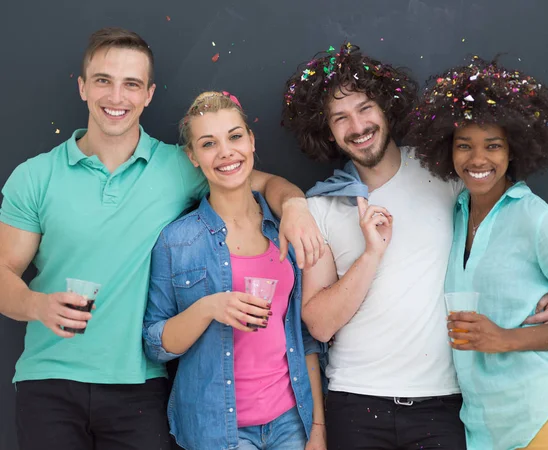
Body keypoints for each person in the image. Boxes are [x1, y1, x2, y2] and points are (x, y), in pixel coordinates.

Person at [0, 27, 324, 450]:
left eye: (131, 84)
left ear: (148, 94)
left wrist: (296, 206)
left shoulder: (180, 166)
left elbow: (262, 181)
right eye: (103, 81)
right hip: (50, 379)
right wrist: (37, 305)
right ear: (82, 87)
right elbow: (4, 273)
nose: (117, 97)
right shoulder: (35, 176)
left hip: (140, 386)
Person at [281, 44, 548, 450]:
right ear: (327, 131)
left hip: (444, 402)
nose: (357, 125)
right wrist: (371, 254)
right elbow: (320, 324)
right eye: (340, 118)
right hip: (355, 399)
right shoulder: (322, 207)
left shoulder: (445, 173)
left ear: (386, 108)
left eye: (365, 109)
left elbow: (516, 224)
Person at [404, 56, 548, 449]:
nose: (478, 159)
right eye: (465, 146)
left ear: (514, 151)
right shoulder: (456, 215)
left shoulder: (536, 220)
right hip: (484, 429)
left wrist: (507, 338)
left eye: (493, 146)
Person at [142, 91, 327, 450]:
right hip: (216, 429)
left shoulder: (284, 229)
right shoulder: (176, 240)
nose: (226, 152)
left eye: (235, 136)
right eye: (209, 143)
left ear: (251, 142)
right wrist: (209, 308)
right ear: (192, 157)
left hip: (291, 421)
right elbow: (155, 344)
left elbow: (304, 339)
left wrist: (317, 427)